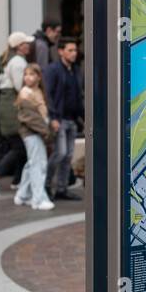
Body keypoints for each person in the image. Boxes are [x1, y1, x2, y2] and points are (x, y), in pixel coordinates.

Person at [0, 32, 32, 197]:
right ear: (19, 46)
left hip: (6, 107)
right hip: (12, 108)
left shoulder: (9, 60)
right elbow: (20, 88)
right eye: (26, 43)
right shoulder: (18, 62)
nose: (28, 46)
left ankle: (18, 181)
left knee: (20, 146)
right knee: (19, 146)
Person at [43, 39, 83, 201]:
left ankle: (62, 188)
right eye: (70, 50)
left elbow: (78, 97)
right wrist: (52, 117)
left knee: (68, 156)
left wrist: (84, 118)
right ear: (61, 51)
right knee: (60, 153)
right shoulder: (53, 70)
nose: (74, 53)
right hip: (59, 119)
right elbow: (48, 95)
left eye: (75, 50)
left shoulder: (76, 70)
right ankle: (45, 185)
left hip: (72, 120)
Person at [14, 63, 56, 211]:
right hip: (32, 133)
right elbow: (30, 118)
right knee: (39, 164)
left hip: (37, 133)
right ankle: (38, 199)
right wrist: (46, 132)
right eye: (26, 74)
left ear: (38, 77)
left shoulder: (38, 91)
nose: (27, 77)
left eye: (31, 74)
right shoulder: (25, 93)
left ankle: (23, 195)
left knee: (31, 164)